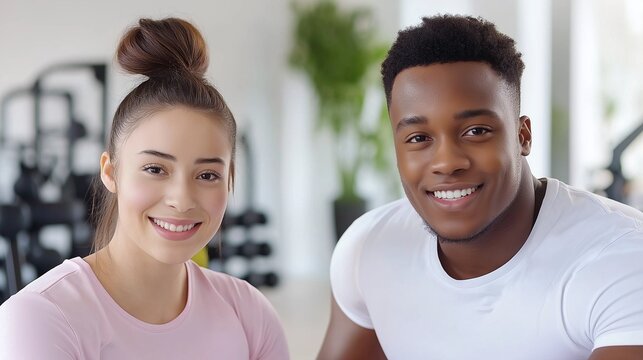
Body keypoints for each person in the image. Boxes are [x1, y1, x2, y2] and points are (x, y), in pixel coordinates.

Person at [318, 14, 643, 359]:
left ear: (522, 136)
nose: (446, 162)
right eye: (418, 138)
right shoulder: (367, 247)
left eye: (476, 131)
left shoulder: (622, 257)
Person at [0, 18, 289, 359]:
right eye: (155, 169)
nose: (181, 200)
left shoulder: (249, 313)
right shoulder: (43, 317)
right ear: (110, 171)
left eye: (207, 175)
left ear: (230, 179)